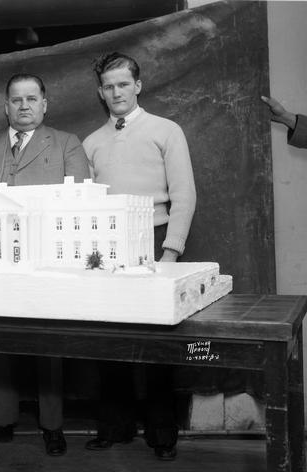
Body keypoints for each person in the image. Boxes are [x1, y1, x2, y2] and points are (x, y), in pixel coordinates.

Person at [0, 73, 90, 456]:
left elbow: (80, 202)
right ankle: (1, 421)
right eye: (16, 100)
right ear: (6, 106)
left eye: (31, 99)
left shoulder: (68, 144)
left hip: (46, 260)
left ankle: (52, 426)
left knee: (46, 342)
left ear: (44, 104)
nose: (24, 106)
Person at [82, 52, 196, 461]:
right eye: (109, 86)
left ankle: (162, 434)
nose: (116, 92)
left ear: (138, 86)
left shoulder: (166, 130)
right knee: (110, 342)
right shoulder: (92, 142)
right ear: (100, 93)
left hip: (158, 242)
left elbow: (184, 194)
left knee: (159, 344)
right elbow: (89, 204)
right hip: (111, 249)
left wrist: (171, 251)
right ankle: (115, 427)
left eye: (123, 84)